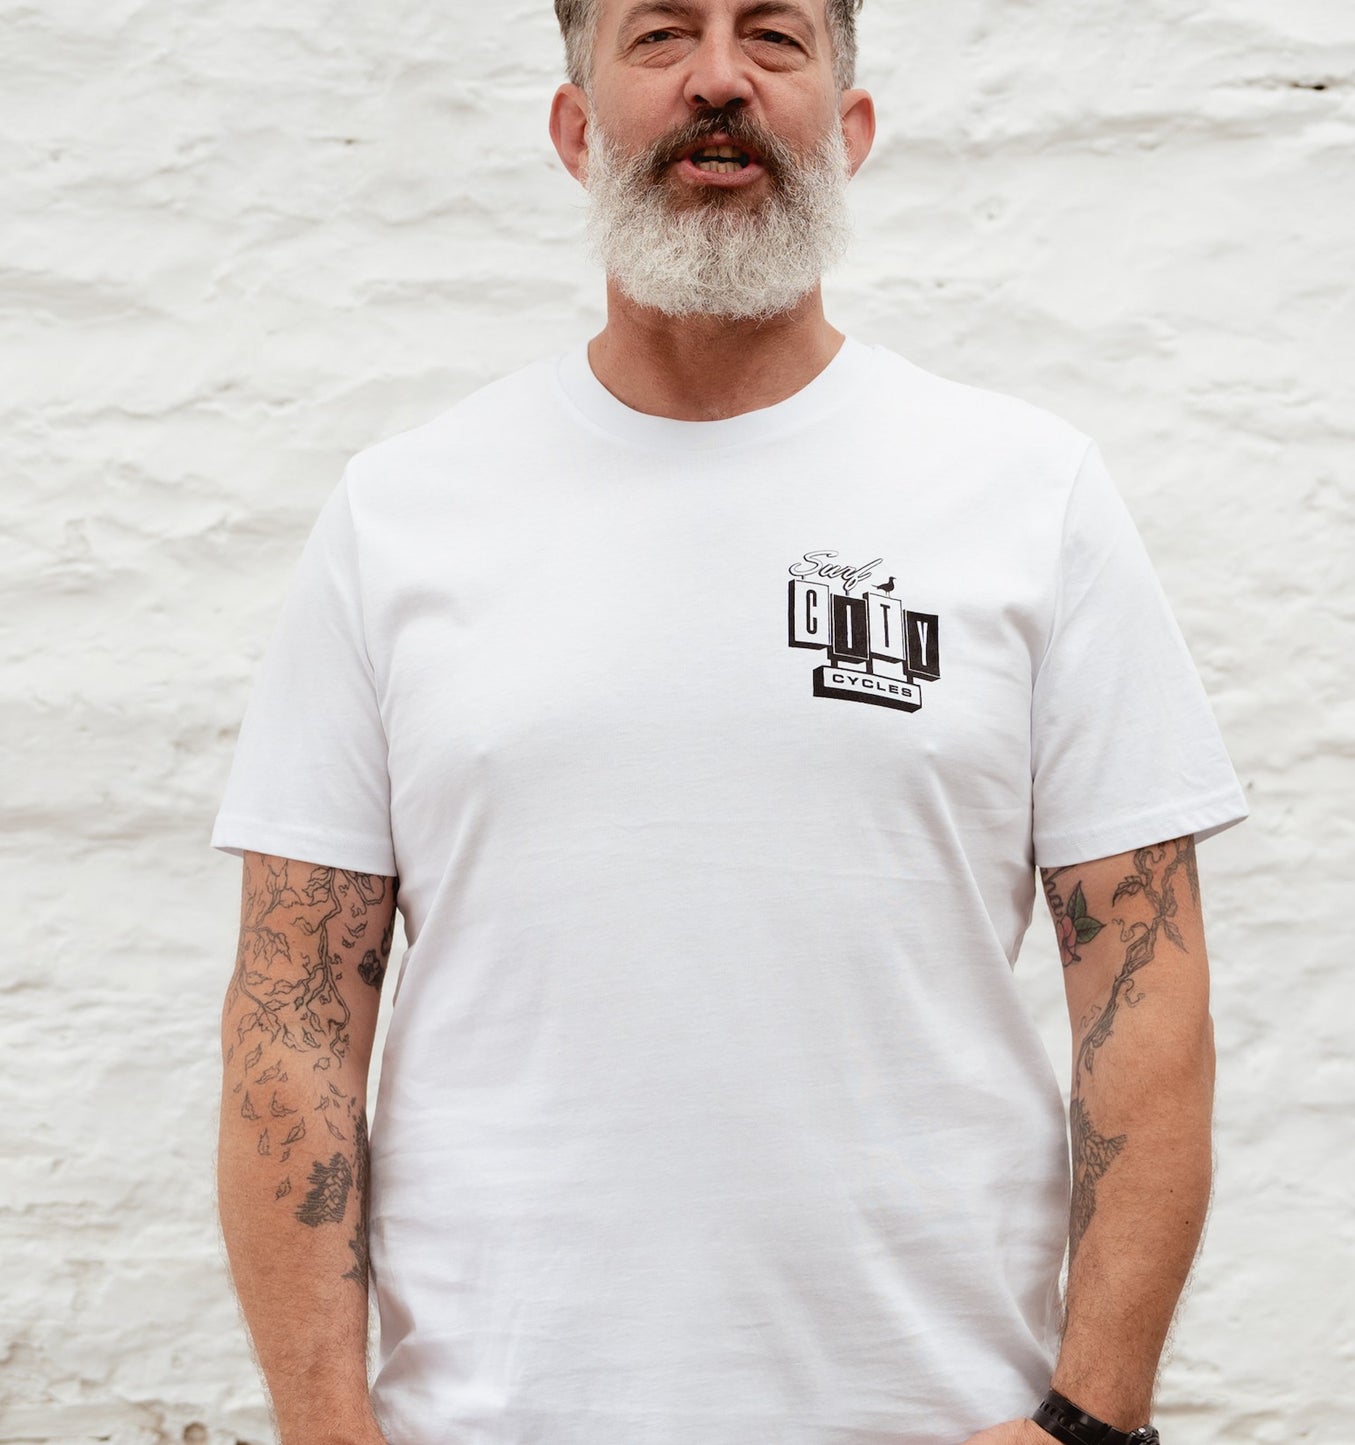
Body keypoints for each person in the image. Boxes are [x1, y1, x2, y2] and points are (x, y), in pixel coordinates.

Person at [211, 3, 1248, 1443]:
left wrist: (1088, 1421)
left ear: (852, 124)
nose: (716, 77)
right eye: (657, 37)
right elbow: (294, 1012)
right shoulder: (400, 513)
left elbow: (1146, 994)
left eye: (771, 37)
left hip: (935, 1412)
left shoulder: (1027, 493)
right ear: (575, 132)